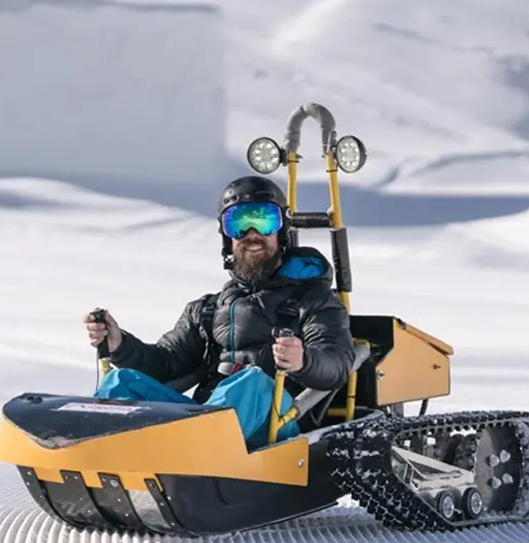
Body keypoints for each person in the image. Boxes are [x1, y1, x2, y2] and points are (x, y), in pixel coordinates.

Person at [83, 175, 356, 448]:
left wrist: (303, 360)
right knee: (121, 383)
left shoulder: (314, 299)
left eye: (264, 221)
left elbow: (337, 363)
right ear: (226, 236)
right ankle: (94, 455)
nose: (252, 233)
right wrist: (120, 346)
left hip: (276, 426)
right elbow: (166, 364)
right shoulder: (208, 310)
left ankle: (188, 453)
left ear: (281, 231)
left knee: (252, 383)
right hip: (205, 423)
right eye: (238, 224)